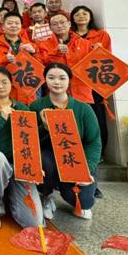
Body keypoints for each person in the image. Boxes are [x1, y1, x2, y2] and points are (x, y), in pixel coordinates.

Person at [0, 67, 44, 229]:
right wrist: (2, 117)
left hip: (18, 166)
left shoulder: (22, 108)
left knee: (34, 223)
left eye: (4, 82)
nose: (0, 86)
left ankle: (7, 195)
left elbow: (30, 141)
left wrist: (35, 165)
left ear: (11, 84)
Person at [30, 63, 101, 220]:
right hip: (48, 158)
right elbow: (30, 141)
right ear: (45, 80)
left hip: (74, 159)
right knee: (44, 160)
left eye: (62, 78)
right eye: (51, 78)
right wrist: (45, 127)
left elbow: (93, 142)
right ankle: (46, 195)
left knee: (84, 203)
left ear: (69, 80)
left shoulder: (83, 109)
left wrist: (87, 169)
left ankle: (71, 190)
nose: (57, 82)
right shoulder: (36, 106)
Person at [71, 5, 112, 163]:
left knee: (96, 117)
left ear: (90, 16)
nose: (81, 16)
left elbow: (109, 59)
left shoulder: (101, 35)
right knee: (77, 117)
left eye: (84, 13)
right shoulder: (70, 36)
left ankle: (98, 153)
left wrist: (101, 51)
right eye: (77, 14)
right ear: (72, 18)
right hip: (75, 83)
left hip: (94, 81)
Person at [37, 14, 93, 103]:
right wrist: (56, 53)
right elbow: (41, 65)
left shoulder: (85, 44)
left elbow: (92, 66)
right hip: (56, 92)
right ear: (50, 27)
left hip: (82, 92)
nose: (59, 26)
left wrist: (99, 51)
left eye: (62, 22)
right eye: (55, 24)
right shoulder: (42, 44)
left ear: (69, 24)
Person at [0, 13, 37, 102]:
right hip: (3, 87)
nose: (13, 25)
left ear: (21, 26)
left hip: (26, 87)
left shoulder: (29, 45)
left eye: (17, 23)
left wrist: (34, 53)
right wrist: (5, 59)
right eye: (10, 23)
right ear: (3, 27)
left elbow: (40, 66)